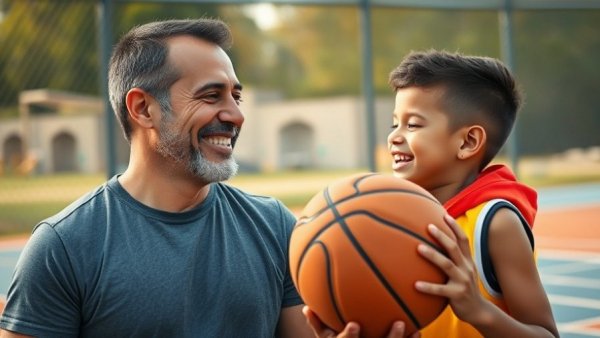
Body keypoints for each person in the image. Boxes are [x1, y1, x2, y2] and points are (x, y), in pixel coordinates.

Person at [0, 18, 322, 338]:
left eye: (235, 97)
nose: (236, 115)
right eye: (211, 96)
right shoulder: (64, 248)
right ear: (142, 108)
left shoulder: (275, 226)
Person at [384, 49, 559, 337]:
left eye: (413, 124)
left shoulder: (494, 224)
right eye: (395, 123)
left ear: (468, 141)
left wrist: (479, 310)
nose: (394, 136)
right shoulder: (395, 219)